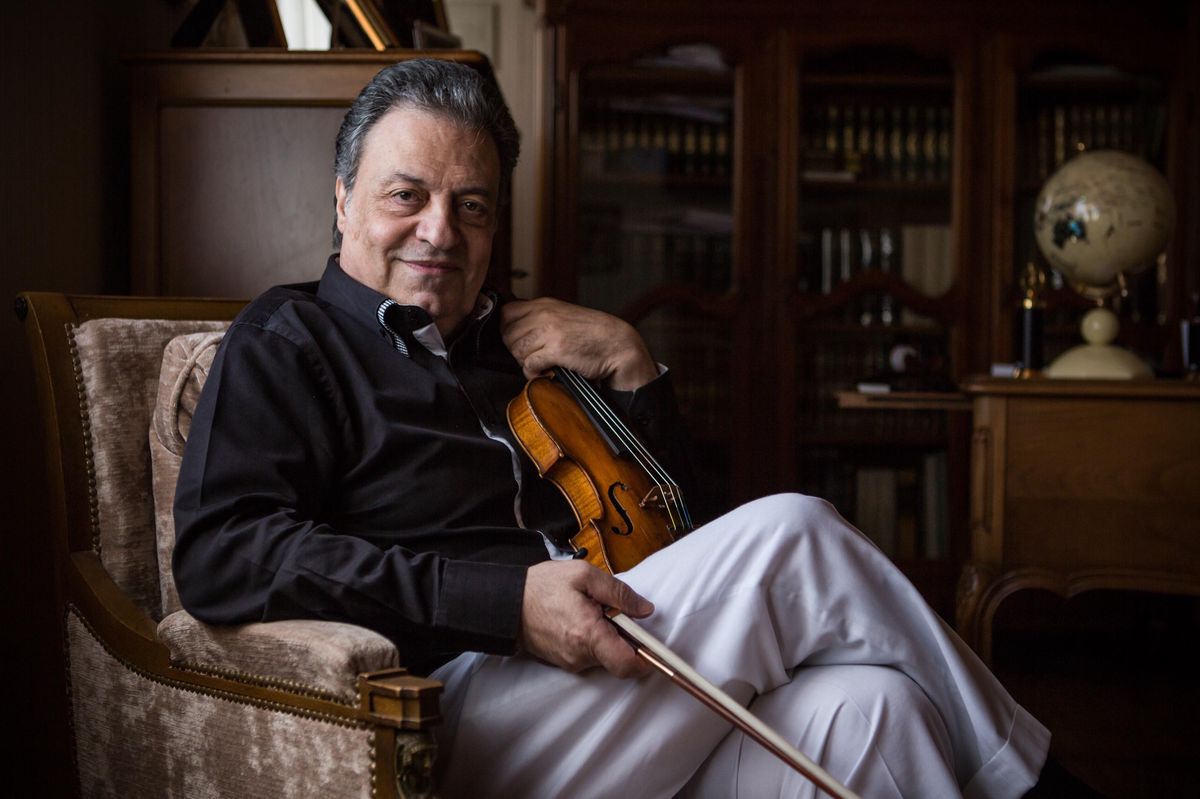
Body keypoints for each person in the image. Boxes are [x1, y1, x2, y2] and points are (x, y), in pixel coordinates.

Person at [173, 58, 1077, 798]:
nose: (440, 231)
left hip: (613, 692)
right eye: (406, 195)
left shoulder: (519, 344)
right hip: (450, 706)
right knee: (795, 530)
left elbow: (676, 532)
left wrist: (630, 359)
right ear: (342, 200)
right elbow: (224, 552)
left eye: (473, 205)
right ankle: (1040, 788)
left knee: (875, 708)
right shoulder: (287, 340)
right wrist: (505, 606)